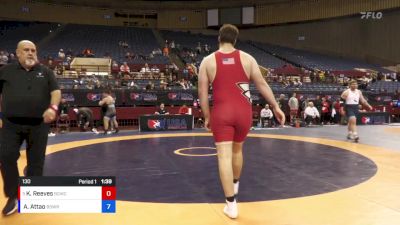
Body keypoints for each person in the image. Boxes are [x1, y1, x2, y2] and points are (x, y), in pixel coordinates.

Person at [198, 24, 285, 219]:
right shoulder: (248, 59)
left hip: (222, 113)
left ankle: (231, 205)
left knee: (224, 157)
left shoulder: (207, 61)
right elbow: (262, 84)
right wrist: (276, 107)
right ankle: (235, 185)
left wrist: (206, 116)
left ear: (219, 38)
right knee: (238, 150)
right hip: (244, 112)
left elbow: (203, 93)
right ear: (235, 40)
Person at [0, 40, 61, 216]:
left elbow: (56, 92)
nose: (30, 53)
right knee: (6, 156)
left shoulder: (46, 72)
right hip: (10, 124)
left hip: (39, 125)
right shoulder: (6, 71)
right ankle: (13, 196)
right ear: (17, 53)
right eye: (26, 50)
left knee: (36, 163)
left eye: (33, 50)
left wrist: (53, 108)